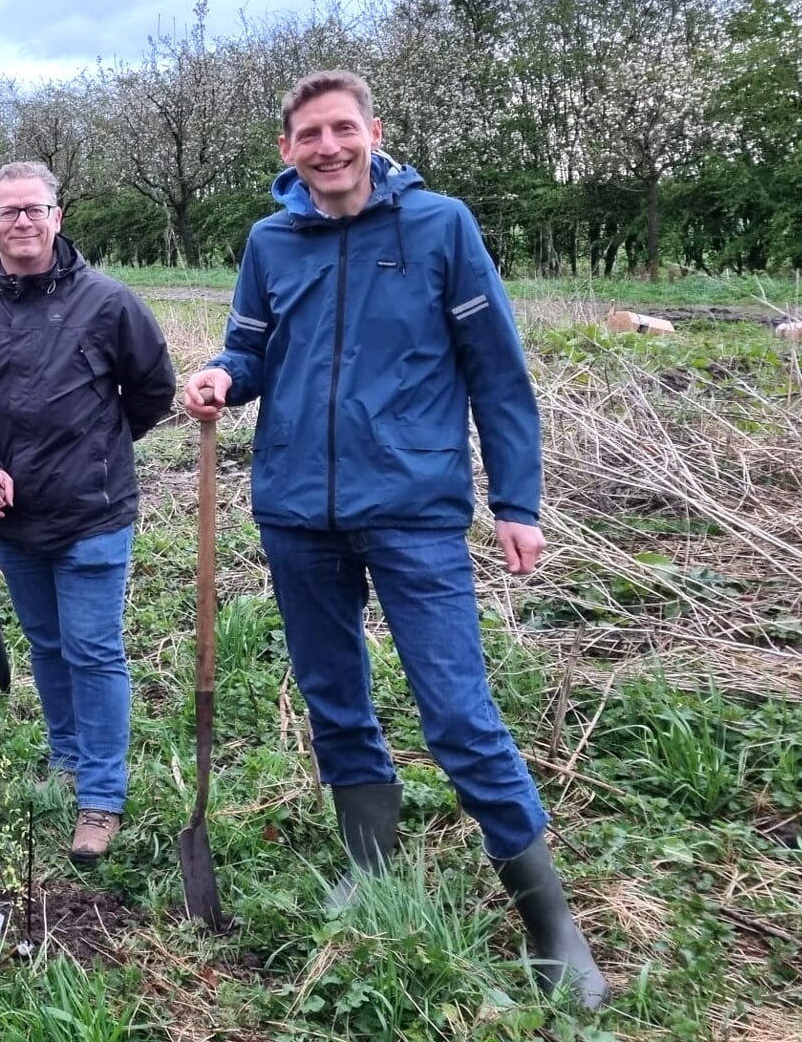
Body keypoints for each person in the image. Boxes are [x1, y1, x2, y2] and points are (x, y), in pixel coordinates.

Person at [183, 70, 609, 1008]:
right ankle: (370, 868)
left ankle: (552, 924)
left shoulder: (441, 227)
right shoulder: (270, 241)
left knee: (457, 712)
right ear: (286, 149)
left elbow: (496, 370)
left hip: (413, 507)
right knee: (334, 700)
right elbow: (251, 346)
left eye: (344, 129)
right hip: (296, 508)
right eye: (309, 134)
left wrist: (518, 501)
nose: (328, 147)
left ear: (375, 132)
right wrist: (220, 373)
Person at [0, 161, 177, 864]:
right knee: (48, 644)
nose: (22, 222)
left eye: (34, 209)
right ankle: (66, 757)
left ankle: (100, 795)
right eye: (7, 212)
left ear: (57, 217)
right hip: (13, 519)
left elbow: (153, 389)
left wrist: (96, 447)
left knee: (94, 650)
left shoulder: (109, 303)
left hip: (94, 512)